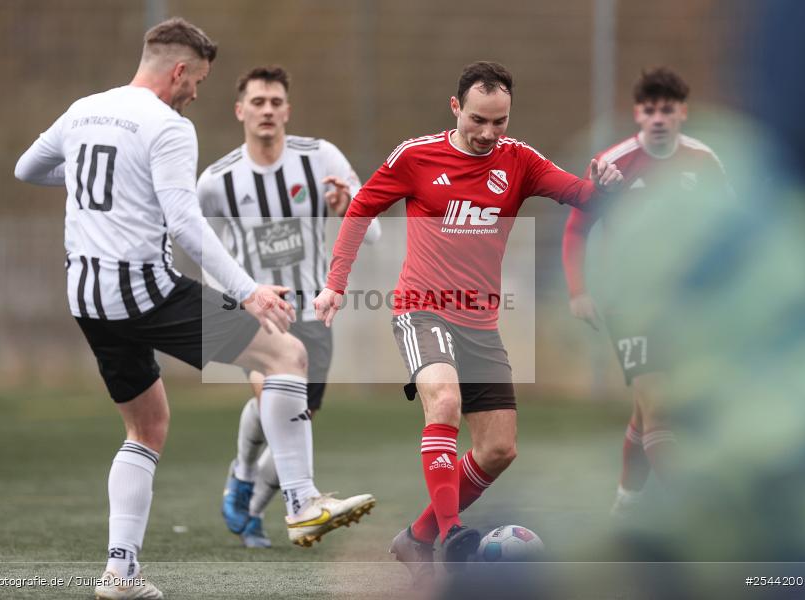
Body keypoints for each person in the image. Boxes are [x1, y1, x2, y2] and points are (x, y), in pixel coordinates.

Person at [14, 19, 373, 600]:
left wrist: (90, 179)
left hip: (84, 293)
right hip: (142, 290)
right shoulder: (169, 126)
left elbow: (26, 169)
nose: (197, 93)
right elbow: (186, 224)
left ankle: (120, 574)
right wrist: (250, 291)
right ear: (179, 70)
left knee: (147, 425)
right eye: (199, 80)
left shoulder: (84, 109)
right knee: (287, 352)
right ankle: (303, 501)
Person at [313, 61, 623, 582]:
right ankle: (453, 535)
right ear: (456, 108)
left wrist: (605, 188)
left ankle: (416, 538)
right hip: (421, 309)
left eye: (499, 122)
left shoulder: (519, 161)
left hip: (479, 322)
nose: (487, 133)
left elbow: (581, 198)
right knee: (446, 401)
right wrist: (335, 284)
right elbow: (362, 206)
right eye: (478, 119)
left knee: (499, 449)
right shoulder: (416, 156)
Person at [197, 65, 380, 548]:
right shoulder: (216, 181)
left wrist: (348, 209)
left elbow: (374, 230)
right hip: (255, 315)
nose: (267, 110)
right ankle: (258, 485)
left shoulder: (320, 158)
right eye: (257, 102)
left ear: (287, 111)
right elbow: (201, 249)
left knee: (294, 421)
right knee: (273, 399)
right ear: (240, 111)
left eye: (276, 102)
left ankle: (249, 501)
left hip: (312, 312)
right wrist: (233, 298)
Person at [561, 67, 730, 517]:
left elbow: (729, 228)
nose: (658, 118)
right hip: (629, 303)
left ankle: (626, 502)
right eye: (650, 109)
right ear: (638, 113)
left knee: (646, 410)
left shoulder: (704, 162)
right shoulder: (612, 163)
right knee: (659, 407)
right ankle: (691, 514)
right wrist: (579, 291)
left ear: (682, 113)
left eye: (667, 109)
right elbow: (577, 229)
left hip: (683, 306)